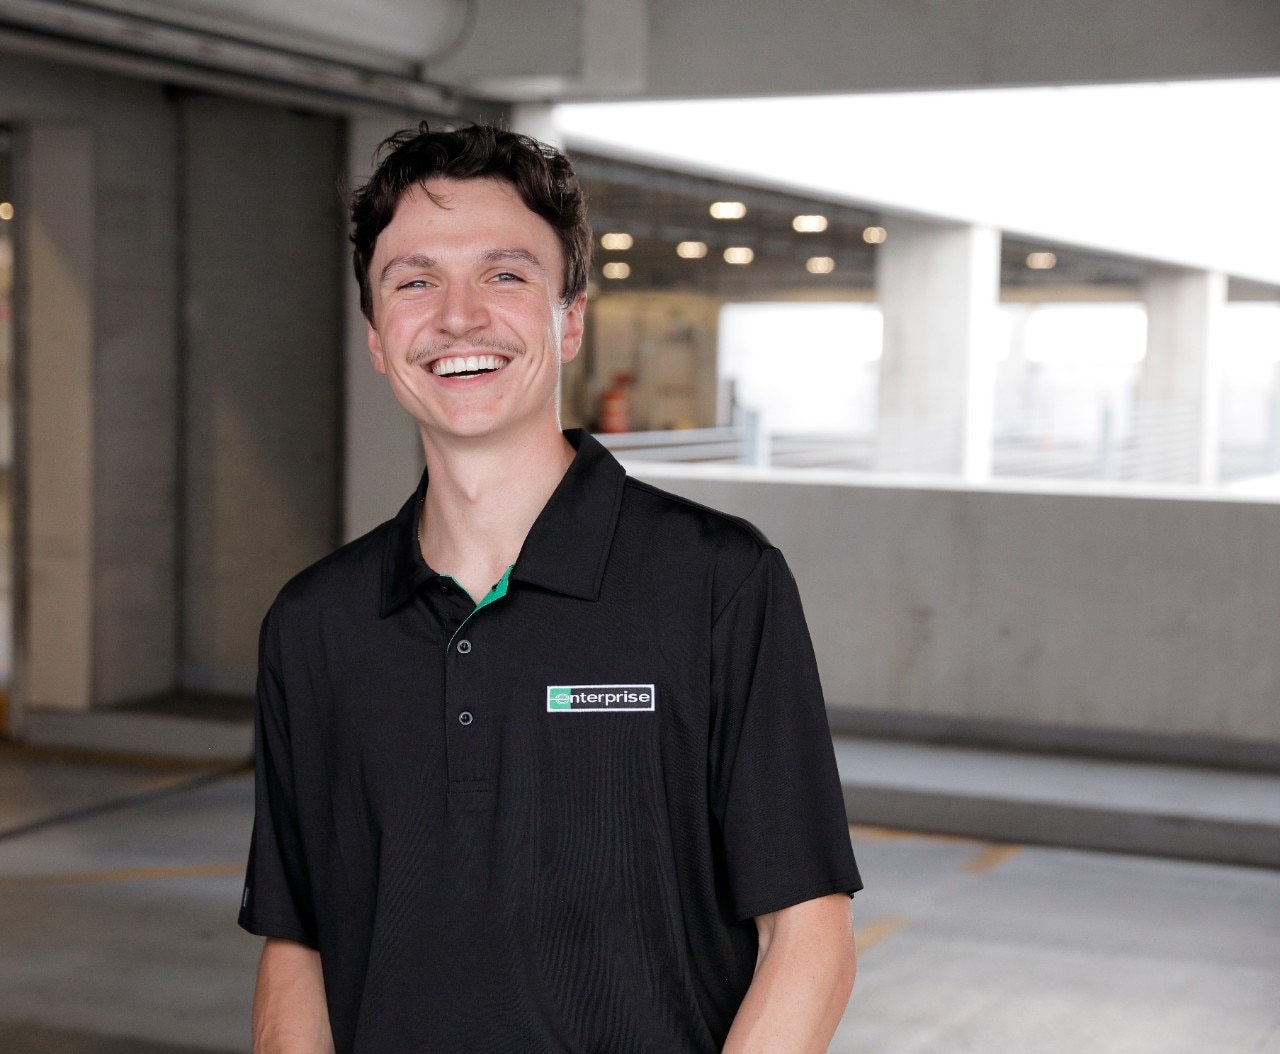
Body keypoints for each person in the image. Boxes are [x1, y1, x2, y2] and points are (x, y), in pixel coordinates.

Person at [239, 122, 862, 1054]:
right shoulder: (313, 624)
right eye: (414, 282)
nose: (458, 318)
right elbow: (299, 947)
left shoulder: (717, 584)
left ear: (569, 320)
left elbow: (808, 936)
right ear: (376, 337)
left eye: (504, 275)